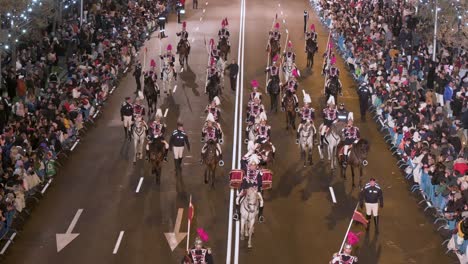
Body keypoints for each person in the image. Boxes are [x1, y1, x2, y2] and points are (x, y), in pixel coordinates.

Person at [233, 154, 265, 222]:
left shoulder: (259, 172)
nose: (253, 166)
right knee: (237, 199)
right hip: (245, 189)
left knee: (262, 201)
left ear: (256, 165)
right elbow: (242, 160)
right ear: (249, 164)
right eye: (251, 164)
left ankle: (260, 216)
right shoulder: (245, 168)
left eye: (254, 164)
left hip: (255, 190)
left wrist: (256, 188)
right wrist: (249, 153)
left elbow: (260, 183)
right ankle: (237, 214)